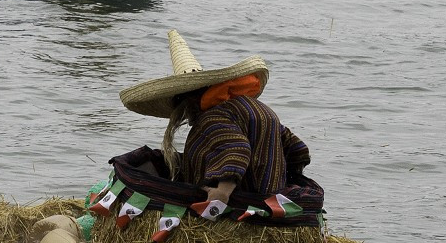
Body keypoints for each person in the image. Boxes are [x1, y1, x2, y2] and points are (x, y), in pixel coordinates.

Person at [119, 30, 310, 207]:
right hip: (271, 201)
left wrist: (222, 192)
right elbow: (297, 148)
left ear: (189, 102)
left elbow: (237, 149)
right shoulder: (256, 109)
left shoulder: (212, 118)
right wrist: (286, 183)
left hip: (246, 207)